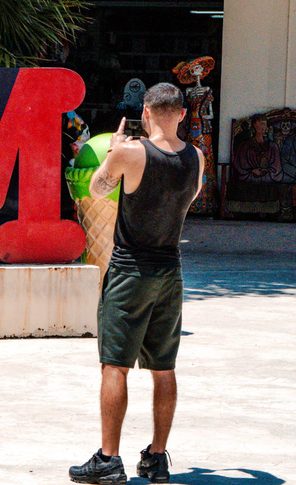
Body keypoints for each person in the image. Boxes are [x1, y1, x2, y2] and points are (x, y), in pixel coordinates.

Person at [69, 83, 204, 485]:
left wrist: (113, 155)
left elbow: (96, 189)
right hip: (170, 271)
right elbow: (187, 200)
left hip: (130, 271)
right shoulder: (196, 158)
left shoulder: (130, 152)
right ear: (181, 114)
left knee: (115, 365)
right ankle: (157, 458)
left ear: (145, 111)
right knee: (163, 368)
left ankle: (109, 459)